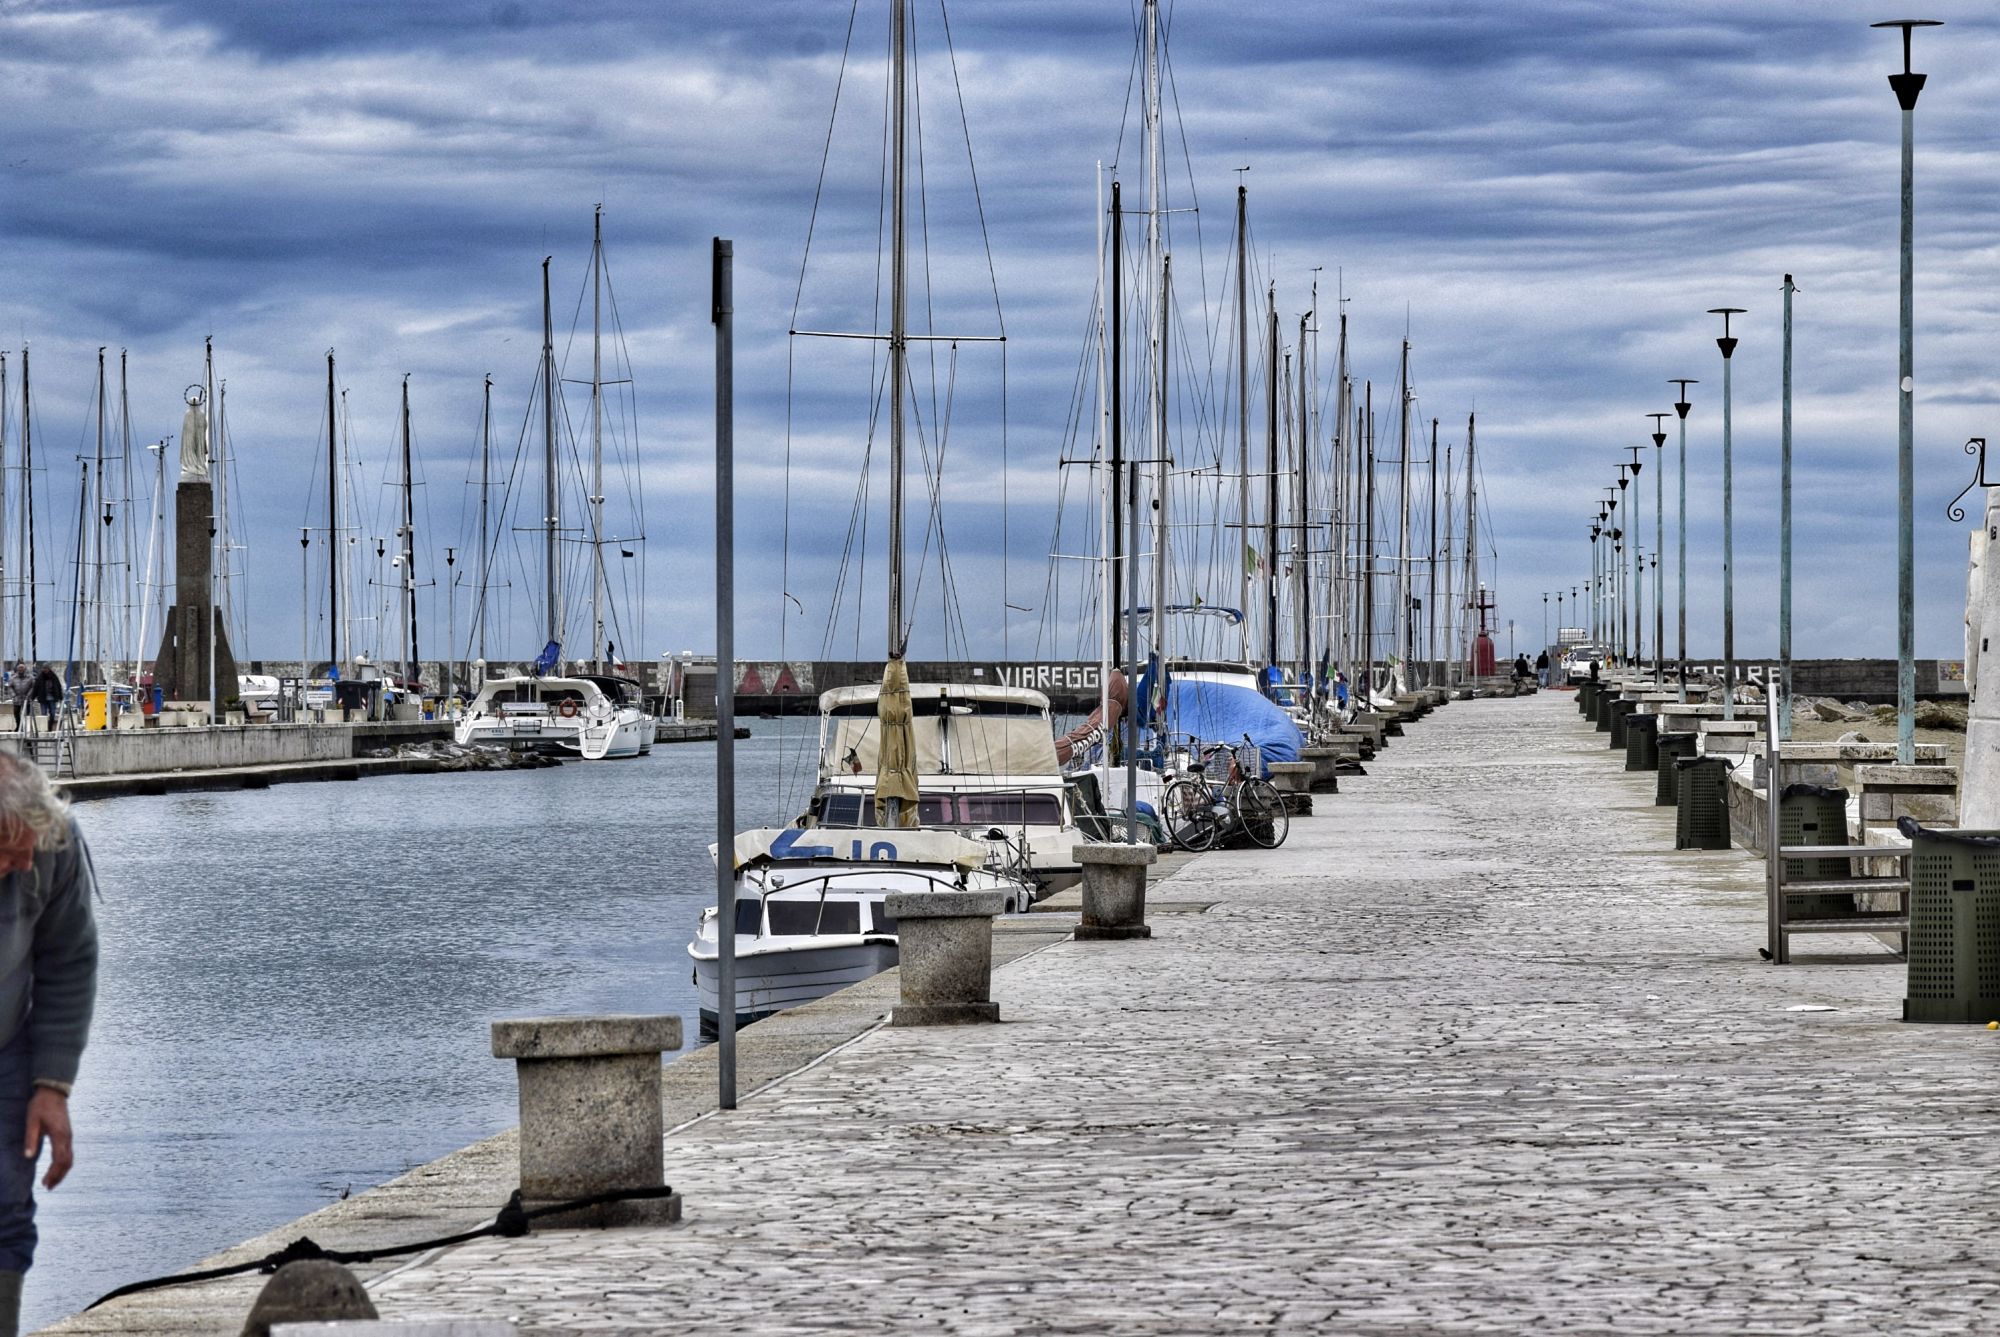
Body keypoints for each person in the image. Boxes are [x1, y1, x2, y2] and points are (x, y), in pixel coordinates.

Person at [0, 751, 99, 1333]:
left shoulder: (52, 841)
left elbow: (69, 959)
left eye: (25, 849)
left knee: (7, 1210)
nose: (19, 862)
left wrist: (52, 1085)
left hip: (9, 1042)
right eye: (4, 847)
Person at [3, 671, 24, 736]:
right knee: (16, 714)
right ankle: (18, 726)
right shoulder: (13, 679)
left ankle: (21, 727)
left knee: (23, 714)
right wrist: (13, 695)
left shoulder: (26, 679)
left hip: (24, 699)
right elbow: (10, 687)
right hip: (16, 700)